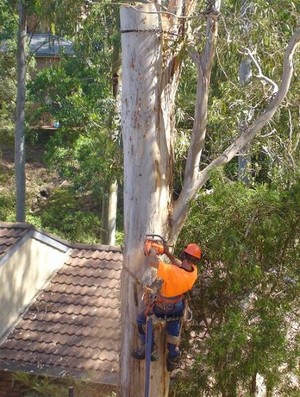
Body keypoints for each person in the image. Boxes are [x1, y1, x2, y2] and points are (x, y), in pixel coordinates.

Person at [132, 242, 201, 371]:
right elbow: (180, 264)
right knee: (174, 329)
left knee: (141, 320)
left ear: (184, 254)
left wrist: (151, 250)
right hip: (178, 306)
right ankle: (172, 357)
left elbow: (153, 262)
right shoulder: (193, 272)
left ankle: (149, 347)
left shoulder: (172, 272)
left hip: (163, 307)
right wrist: (166, 252)